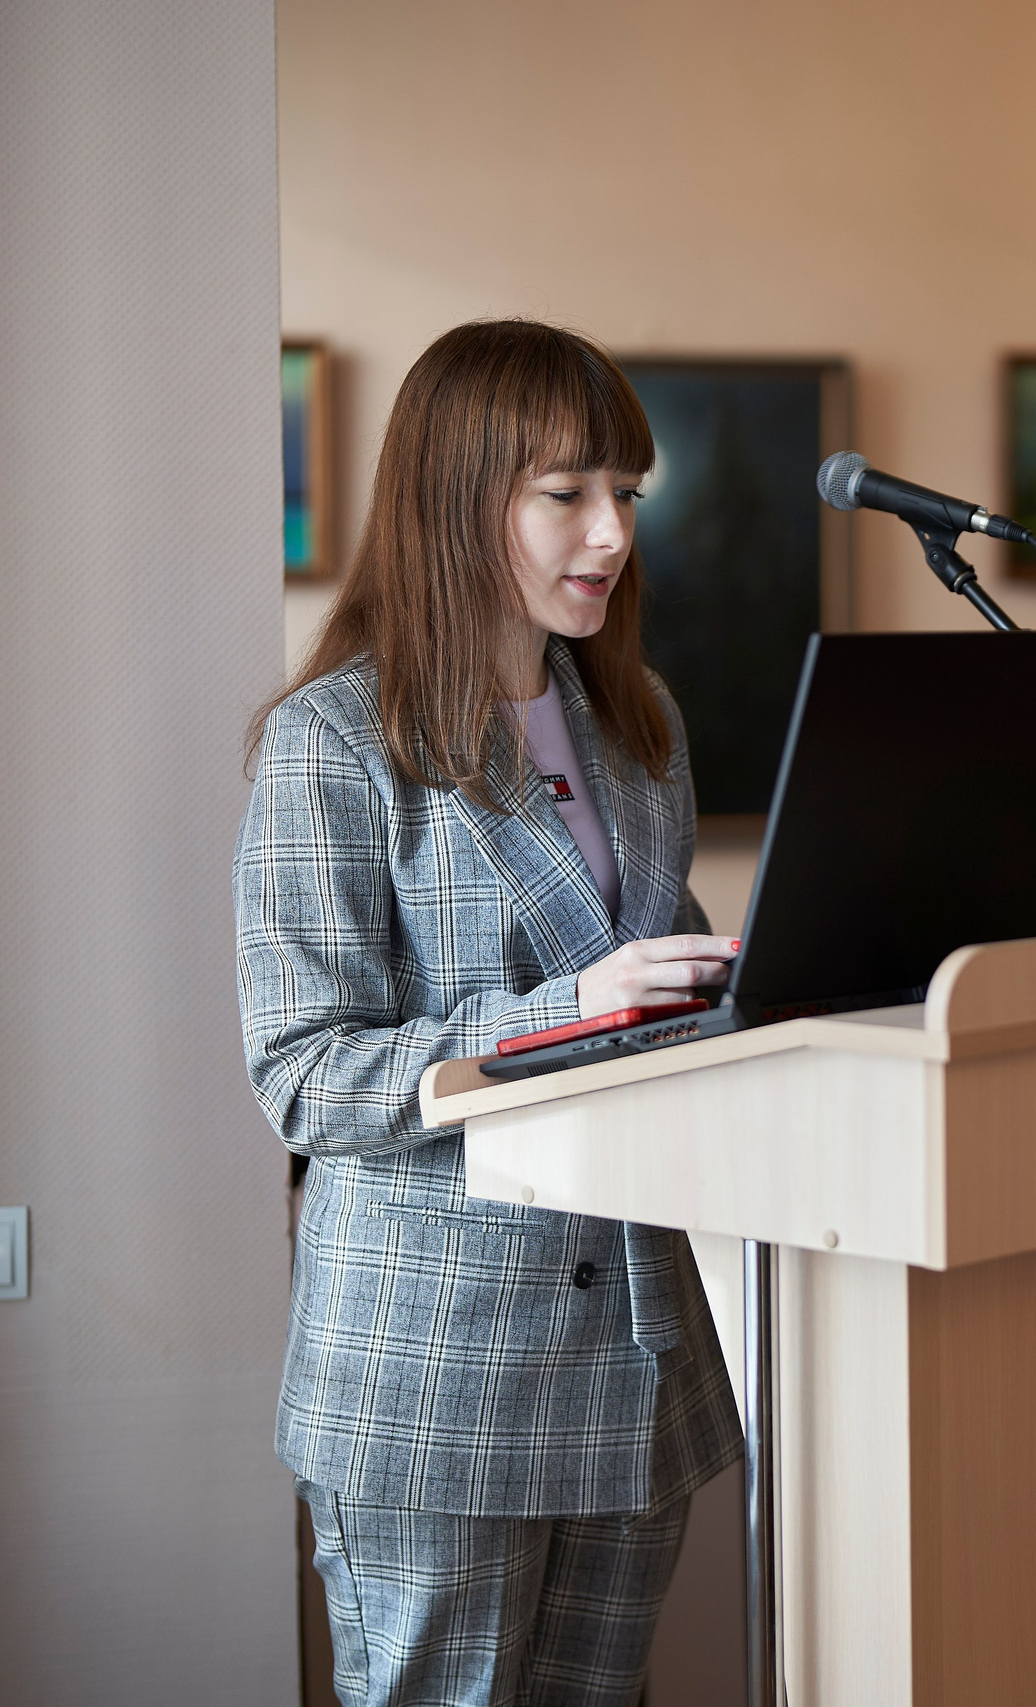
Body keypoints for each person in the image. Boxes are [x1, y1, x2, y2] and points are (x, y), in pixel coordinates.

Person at [235, 320, 742, 1707]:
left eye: (626, 492)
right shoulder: (333, 741)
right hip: (435, 1370)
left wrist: (738, 985)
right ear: (459, 499)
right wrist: (567, 1010)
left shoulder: (640, 724)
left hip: (637, 1347)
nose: (612, 532)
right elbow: (305, 1075)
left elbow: (655, 982)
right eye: (566, 492)